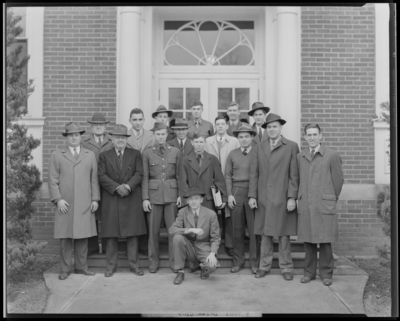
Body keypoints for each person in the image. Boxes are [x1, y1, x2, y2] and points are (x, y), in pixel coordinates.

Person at [248, 113, 299, 281]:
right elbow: (254, 174)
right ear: (265, 129)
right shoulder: (259, 147)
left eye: (274, 126)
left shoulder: (291, 146)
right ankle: (264, 266)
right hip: (263, 197)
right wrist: (252, 195)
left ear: (280, 128)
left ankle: (286, 268)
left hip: (282, 196)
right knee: (265, 233)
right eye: (269, 127)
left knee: (284, 235)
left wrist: (292, 197)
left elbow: (294, 175)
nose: (271, 129)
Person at [48, 122, 99, 280]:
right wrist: (58, 199)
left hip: (84, 203)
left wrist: (95, 199)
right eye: (71, 135)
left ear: (81, 136)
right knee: (66, 239)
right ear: (67, 137)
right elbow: (52, 180)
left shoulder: (89, 155)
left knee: (83, 238)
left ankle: (81, 267)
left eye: (77, 134)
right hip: (66, 203)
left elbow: (94, 180)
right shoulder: (57, 155)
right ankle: (64, 269)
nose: (74, 137)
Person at [297, 124, 344, 286]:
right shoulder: (300, 156)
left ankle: (326, 274)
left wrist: (330, 197)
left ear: (320, 136)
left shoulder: (331, 155)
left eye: (315, 134)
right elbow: (297, 180)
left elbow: (338, 180)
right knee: (308, 241)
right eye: (309, 135)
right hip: (306, 204)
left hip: (324, 204)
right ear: (305, 137)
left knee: (324, 241)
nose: (312, 137)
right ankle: (309, 273)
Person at [98, 124, 147, 277]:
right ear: (112, 139)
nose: (120, 140)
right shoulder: (104, 156)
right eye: (117, 138)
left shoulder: (135, 154)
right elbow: (101, 176)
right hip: (112, 197)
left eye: (123, 138)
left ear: (127, 139)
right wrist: (117, 187)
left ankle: (134, 266)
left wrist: (128, 186)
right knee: (111, 234)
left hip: (131, 197)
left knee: (132, 234)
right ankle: (110, 267)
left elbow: (139, 173)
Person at [142, 122, 182, 273]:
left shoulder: (176, 152)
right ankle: (153, 263)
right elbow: (145, 177)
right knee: (153, 232)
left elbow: (179, 175)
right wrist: (145, 198)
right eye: (157, 134)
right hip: (153, 196)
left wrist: (180, 196)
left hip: (172, 195)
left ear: (167, 135)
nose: (160, 136)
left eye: (163, 134)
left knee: (173, 231)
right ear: (153, 135)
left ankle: (175, 263)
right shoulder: (147, 153)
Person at [225, 123, 260, 274]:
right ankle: (238, 261)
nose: (244, 139)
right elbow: (227, 175)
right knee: (237, 228)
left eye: (247, 136)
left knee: (253, 230)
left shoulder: (258, 153)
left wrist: (255, 195)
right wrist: (229, 195)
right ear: (237, 138)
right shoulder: (232, 154)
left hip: (253, 192)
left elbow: (260, 174)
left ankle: (254, 262)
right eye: (241, 137)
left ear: (252, 137)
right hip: (236, 191)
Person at [169, 186, 221, 285]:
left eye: (196, 198)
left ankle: (201, 266)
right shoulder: (182, 212)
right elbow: (172, 230)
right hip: (189, 246)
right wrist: (190, 230)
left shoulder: (211, 214)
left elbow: (216, 237)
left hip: (203, 247)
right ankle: (180, 271)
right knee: (177, 238)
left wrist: (212, 253)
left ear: (201, 200)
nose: (193, 201)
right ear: (187, 201)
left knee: (212, 265)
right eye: (191, 199)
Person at [205, 116, 240, 257]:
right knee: (211, 214)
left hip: (228, 180)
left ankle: (230, 244)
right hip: (211, 182)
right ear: (215, 126)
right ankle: (212, 245)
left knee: (228, 215)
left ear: (227, 126)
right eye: (217, 124)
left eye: (222, 124)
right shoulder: (208, 141)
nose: (220, 126)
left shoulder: (234, 141)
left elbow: (237, 160)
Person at [82, 112, 114, 255]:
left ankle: (107, 248)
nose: (98, 127)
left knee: (107, 215)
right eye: (96, 125)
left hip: (108, 184)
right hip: (90, 183)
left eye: (101, 125)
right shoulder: (84, 142)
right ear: (91, 126)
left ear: (106, 126)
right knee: (91, 215)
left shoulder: (112, 141)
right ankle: (92, 247)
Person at [179, 133, 227, 211]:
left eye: (201, 142)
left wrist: (224, 198)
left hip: (208, 199)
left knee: (208, 221)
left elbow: (219, 180)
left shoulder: (212, 159)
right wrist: (185, 200)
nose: (199, 144)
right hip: (192, 199)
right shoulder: (185, 160)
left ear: (205, 142)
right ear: (192, 143)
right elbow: (183, 182)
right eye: (196, 142)